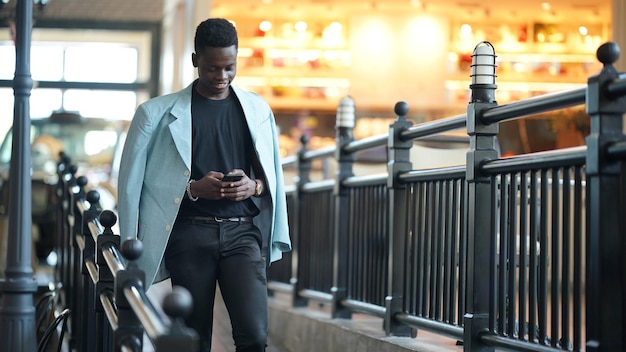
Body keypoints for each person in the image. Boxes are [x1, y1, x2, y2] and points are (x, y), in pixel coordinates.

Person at [117, 18, 291, 352]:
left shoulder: (257, 110)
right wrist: (194, 189)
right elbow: (130, 186)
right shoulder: (154, 114)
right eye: (212, 68)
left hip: (243, 234)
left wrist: (251, 186)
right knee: (193, 338)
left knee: (254, 336)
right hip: (190, 234)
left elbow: (271, 179)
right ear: (196, 60)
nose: (222, 77)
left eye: (230, 67)